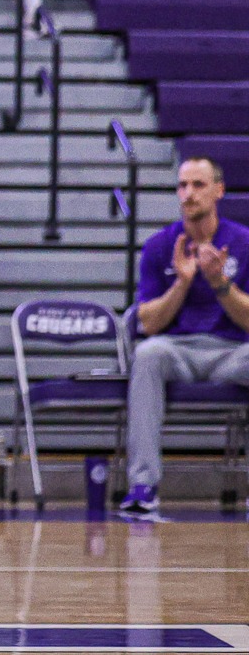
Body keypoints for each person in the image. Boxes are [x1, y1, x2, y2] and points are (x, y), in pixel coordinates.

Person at [117, 157, 249, 517]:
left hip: (233, 351)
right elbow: (149, 323)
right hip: (177, 351)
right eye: (182, 185)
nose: (188, 194)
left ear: (219, 191)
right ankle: (143, 487)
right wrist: (183, 281)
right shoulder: (161, 245)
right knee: (146, 354)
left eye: (198, 185)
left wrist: (220, 283)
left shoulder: (243, 242)